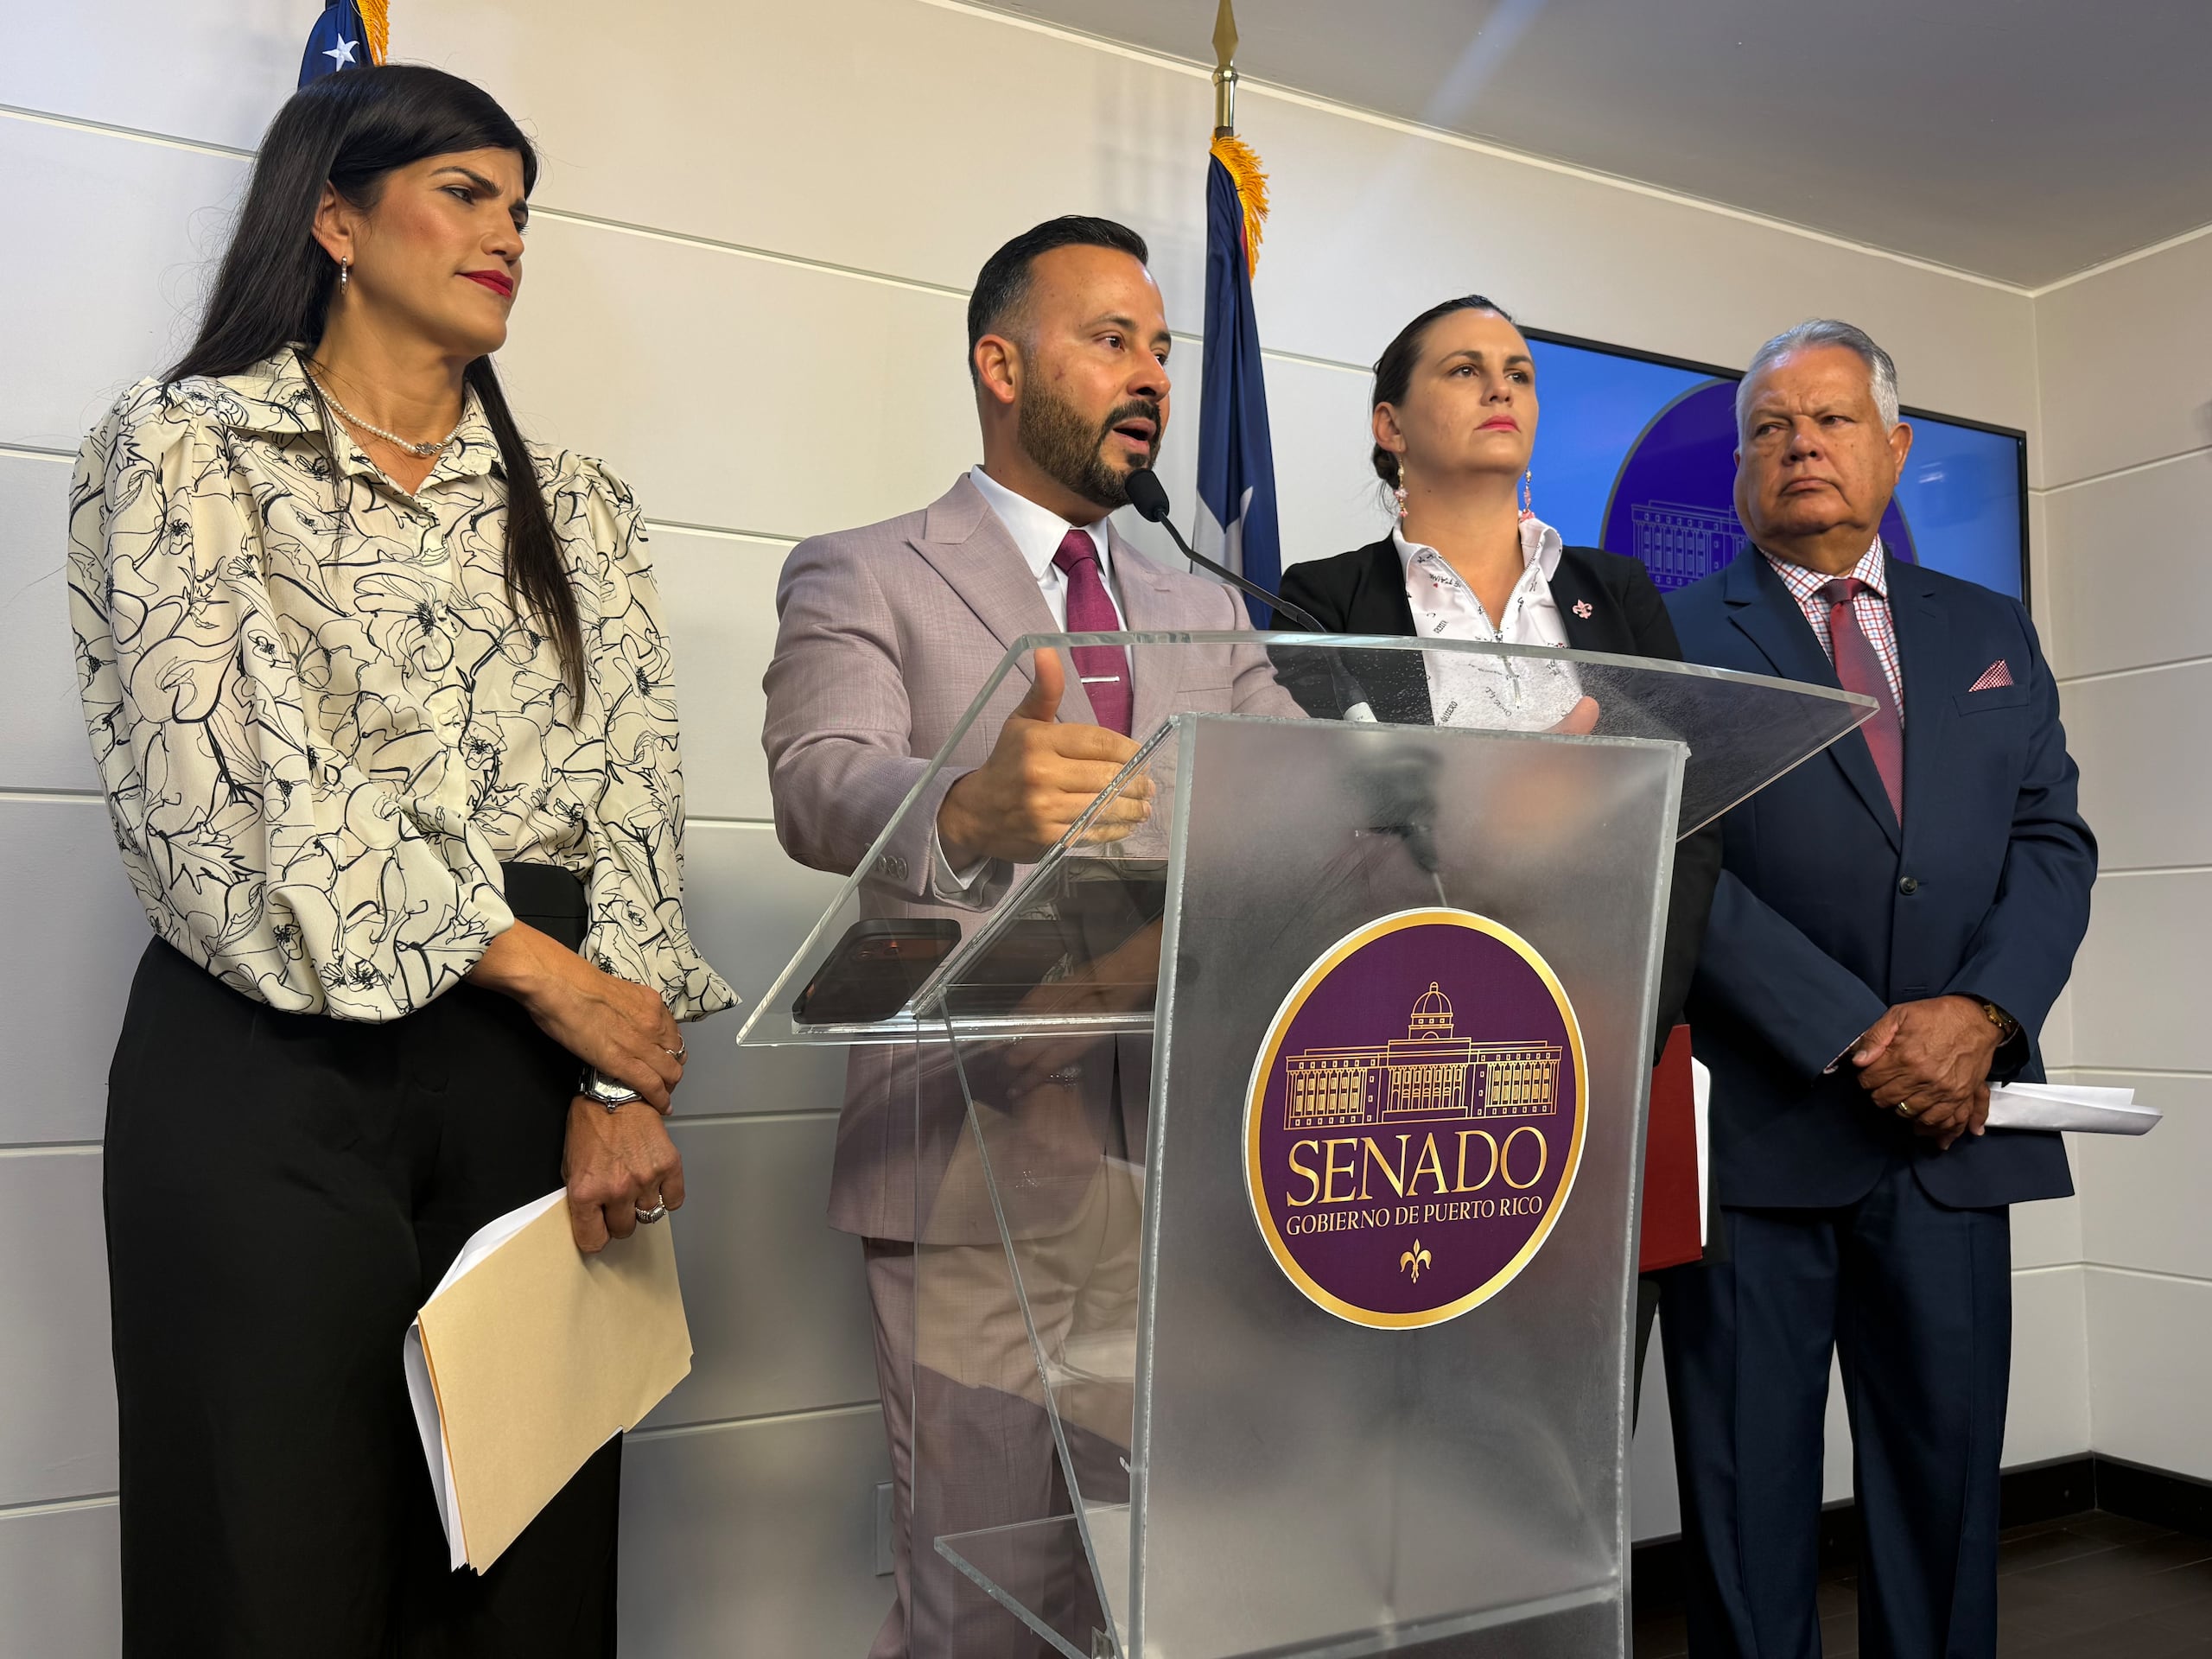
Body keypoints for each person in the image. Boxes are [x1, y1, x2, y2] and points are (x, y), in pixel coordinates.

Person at [67, 66, 731, 1657]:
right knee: (271, 1569)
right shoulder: (186, 449)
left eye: (522, 206)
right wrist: (548, 980)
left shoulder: (579, 507)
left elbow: (636, 798)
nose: (508, 233)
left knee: (528, 1584)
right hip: (269, 1073)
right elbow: (237, 795)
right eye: (466, 193)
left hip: (540, 1088)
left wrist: (617, 1082)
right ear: (336, 218)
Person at [762, 215, 1294, 1659]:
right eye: (1110, 339)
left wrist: (1474, 809)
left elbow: (1309, 808)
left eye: (1164, 351)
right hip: (972, 1158)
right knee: (984, 1601)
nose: (1152, 378)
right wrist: (971, 807)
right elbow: (820, 777)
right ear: (1001, 364)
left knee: (1147, 1596)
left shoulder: (1204, 606)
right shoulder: (865, 569)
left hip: (1181, 1169)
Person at [1659, 320, 2095, 1658]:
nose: (1802, 446)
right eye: (1771, 427)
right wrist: (1855, 1034)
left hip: (1953, 1136)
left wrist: (1983, 1020)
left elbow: (2050, 842)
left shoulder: (1988, 628)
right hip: (1756, 1146)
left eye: (1833, 419)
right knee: (1746, 1510)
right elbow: (1674, 857)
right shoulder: (1671, 634)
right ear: (1741, 469)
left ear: (1894, 449)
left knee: (1949, 1503)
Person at [1272, 293, 1723, 1399]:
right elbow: (1323, 827)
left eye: (1517, 371)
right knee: (1411, 1410)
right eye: (1465, 369)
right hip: (1417, 1074)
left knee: (1576, 1419)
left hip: (1604, 1042)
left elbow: (1694, 820)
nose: (1501, 388)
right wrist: (1500, 812)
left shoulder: (1614, 593)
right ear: (1390, 424)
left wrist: (1637, 1010)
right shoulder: (1321, 599)